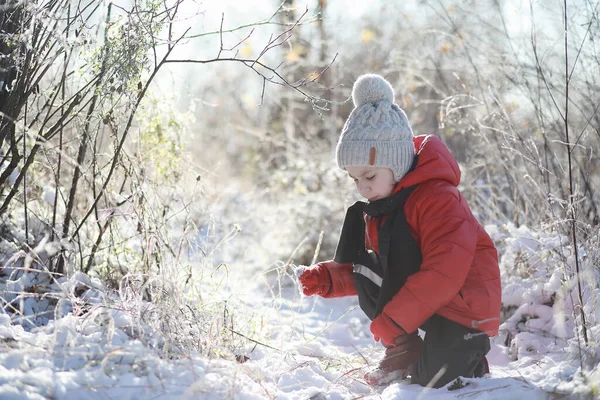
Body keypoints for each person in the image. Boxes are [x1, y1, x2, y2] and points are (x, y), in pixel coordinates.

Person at [297, 74, 502, 388]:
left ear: (397, 161)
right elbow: (375, 267)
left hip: (462, 308)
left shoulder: (439, 199)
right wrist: (329, 278)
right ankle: (404, 349)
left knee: (432, 381)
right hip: (429, 300)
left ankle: (468, 354)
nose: (362, 187)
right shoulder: (386, 204)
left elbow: (444, 271)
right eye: (354, 179)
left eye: (369, 175)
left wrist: (397, 318)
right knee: (366, 259)